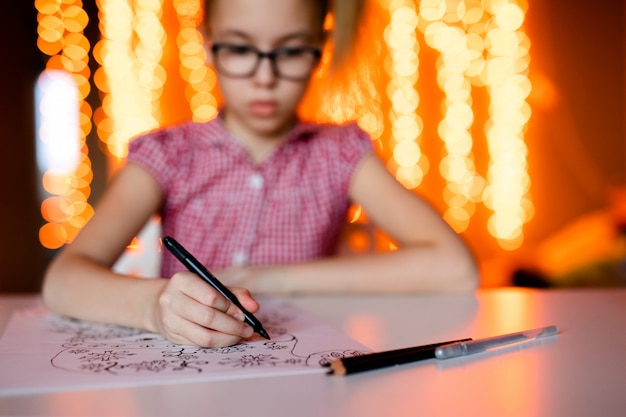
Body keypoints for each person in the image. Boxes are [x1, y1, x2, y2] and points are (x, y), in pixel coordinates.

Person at [43, 0, 479, 348]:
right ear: (209, 45)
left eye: (290, 50)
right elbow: (64, 281)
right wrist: (154, 308)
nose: (265, 76)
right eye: (239, 48)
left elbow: (455, 269)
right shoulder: (168, 154)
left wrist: (265, 278)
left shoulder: (341, 153)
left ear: (319, 49)